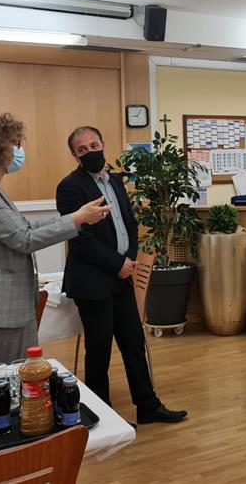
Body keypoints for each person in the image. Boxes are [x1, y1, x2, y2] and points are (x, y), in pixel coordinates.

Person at [0, 113, 109, 369]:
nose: (18, 151)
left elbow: (22, 228)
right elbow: (23, 238)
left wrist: (77, 218)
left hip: (9, 307)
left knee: (20, 380)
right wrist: (77, 219)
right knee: (0, 384)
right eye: (14, 144)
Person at [57, 126, 187, 424]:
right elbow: (80, 239)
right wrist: (118, 263)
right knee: (99, 351)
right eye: (82, 150)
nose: (91, 152)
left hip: (121, 276)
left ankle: (148, 406)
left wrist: (128, 260)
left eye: (94, 145)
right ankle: (100, 416)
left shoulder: (115, 181)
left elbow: (128, 224)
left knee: (133, 343)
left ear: (104, 143)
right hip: (93, 281)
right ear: (75, 155)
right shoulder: (70, 187)